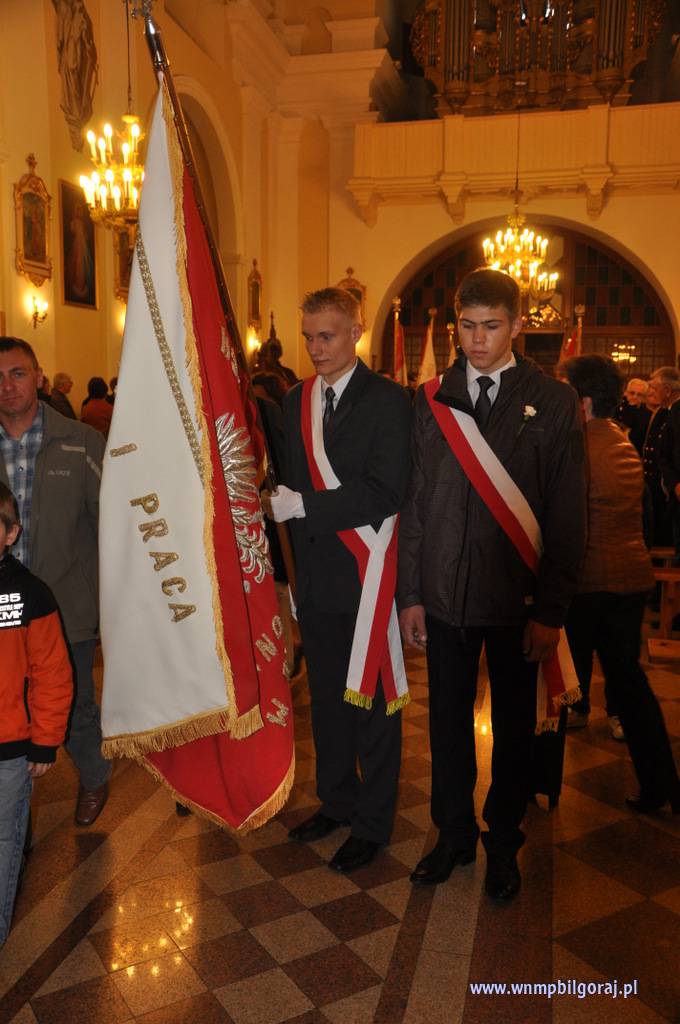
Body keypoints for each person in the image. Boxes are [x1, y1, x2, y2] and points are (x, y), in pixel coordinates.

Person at [398, 268, 587, 900]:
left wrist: (552, 610)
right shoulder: (431, 398)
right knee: (446, 726)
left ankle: (504, 841)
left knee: (513, 730)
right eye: (467, 326)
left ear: (517, 325)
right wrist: (410, 594)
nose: (477, 341)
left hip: (516, 599)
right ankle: (452, 835)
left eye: (491, 326)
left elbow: (567, 512)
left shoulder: (552, 400)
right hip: (443, 596)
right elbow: (416, 500)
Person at [265, 288, 411, 873]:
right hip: (317, 578)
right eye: (309, 337)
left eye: (326, 336)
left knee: (373, 705)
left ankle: (372, 823)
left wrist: (305, 507)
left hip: (367, 573)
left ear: (356, 331)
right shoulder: (296, 399)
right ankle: (337, 800)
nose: (315, 348)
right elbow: (291, 486)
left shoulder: (389, 400)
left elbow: (386, 490)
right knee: (326, 701)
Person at [0, 338, 111, 826]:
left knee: (75, 704)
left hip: (66, 604)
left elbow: (109, 523)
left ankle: (94, 774)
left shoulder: (81, 441)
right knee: (7, 703)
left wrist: (107, 599)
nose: (7, 386)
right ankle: (12, 802)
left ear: (39, 377)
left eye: (18, 373)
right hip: (4, 605)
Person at [561, 355, 678, 813]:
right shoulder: (620, 440)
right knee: (630, 685)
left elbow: (568, 524)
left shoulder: (580, 447)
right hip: (629, 579)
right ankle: (662, 782)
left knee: (558, 683)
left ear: (583, 401)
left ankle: (536, 783)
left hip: (590, 584)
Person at [0, 483, 73, 947]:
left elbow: (52, 673)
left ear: (11, 533)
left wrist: (45, 740)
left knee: (3, 845)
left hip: (9, 751)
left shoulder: (29, 594)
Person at [642, 367, 680, 546]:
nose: (651, 391)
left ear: (667, 390)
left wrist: (675, 483)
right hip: (662, 487)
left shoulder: (676, 411)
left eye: (654, 387)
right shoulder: (665, 411)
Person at [614, 377, 651, 456]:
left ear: (644, 397)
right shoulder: (616, 409)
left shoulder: (648, 414)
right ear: (626, 393)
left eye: (639, 395)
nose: (635, 397)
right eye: (632, 393)